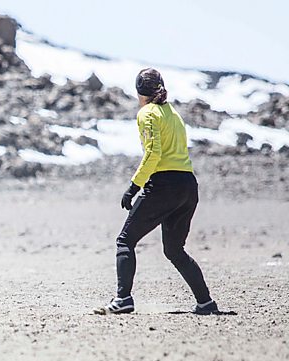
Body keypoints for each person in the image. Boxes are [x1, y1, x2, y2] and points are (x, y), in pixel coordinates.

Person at [94, 68, 219, 315]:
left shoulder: (147, 114)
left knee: (125, 241)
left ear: (139, 92)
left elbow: (153, 154)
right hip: (188, 186)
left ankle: (123, 300)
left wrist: (133, 186)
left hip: (164, 186)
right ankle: (206, 303)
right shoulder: (173, 114)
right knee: (174, 250)